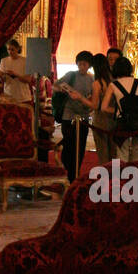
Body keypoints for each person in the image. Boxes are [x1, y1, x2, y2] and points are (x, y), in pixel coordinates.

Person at [56, 51, 94, 181]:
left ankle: (75, 173)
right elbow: (56, 86)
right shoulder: (70, 75)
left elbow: (93, 98)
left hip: (83, 116)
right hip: (68, 115)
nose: (82, 67)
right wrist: (63, 89)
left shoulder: (91, 79)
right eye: (80, 64)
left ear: (89, 65)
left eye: (85, 64)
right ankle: (67, 171)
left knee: (80, 147)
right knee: (68, 145)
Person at [106, 56, 138, 162]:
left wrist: (117, 111)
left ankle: (120, 177)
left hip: (122, 123)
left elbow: (104, 107)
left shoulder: (113, 85)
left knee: (121, 153)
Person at [85, 53, 116, 164]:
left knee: (103, 153)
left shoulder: (97, 83)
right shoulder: (113, 80)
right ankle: (115, 178)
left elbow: (95, 106)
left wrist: (80, 98)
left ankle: (106, 178)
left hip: (100, 120)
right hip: (113, 119)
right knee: (114, 153)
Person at [0, 38, 33, 104]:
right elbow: (2, 79)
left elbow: (28, 80)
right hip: (8, 96)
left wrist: (15, 75)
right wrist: (2, 77)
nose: (10, 52)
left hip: (23, 96)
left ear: (17, 49)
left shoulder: (25, 61)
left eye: (12, 49)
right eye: (8, 49)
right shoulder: (4, 61)